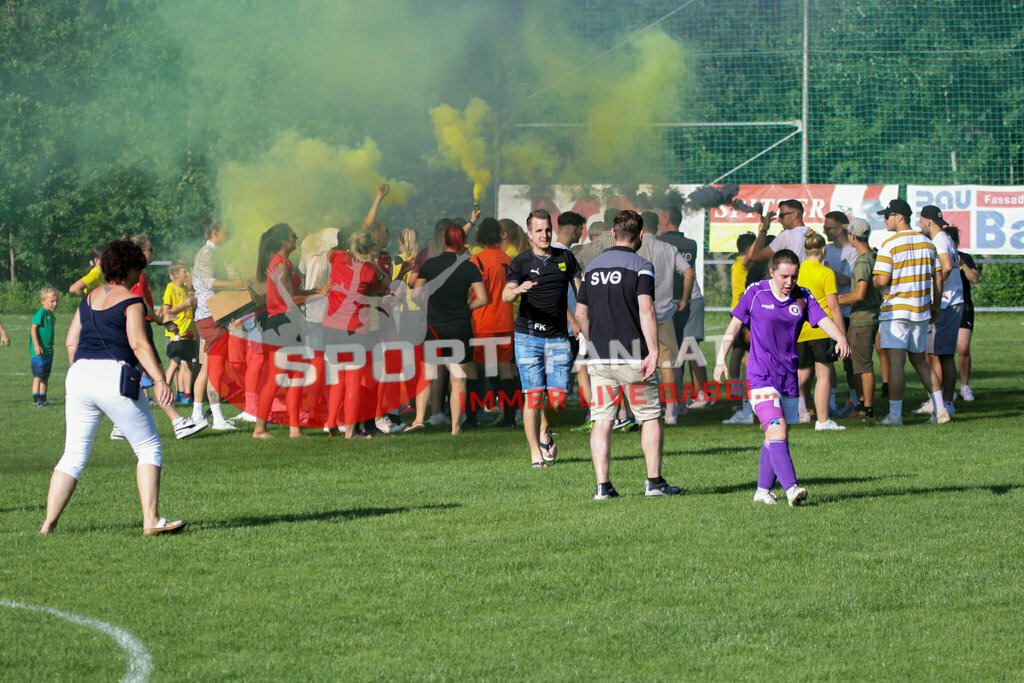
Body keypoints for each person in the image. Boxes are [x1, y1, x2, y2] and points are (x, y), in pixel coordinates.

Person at [40, 238, 186, 536]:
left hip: (79, 375)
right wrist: (159, 380)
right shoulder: (131, 300)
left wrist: (83, 375)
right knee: (148, 447)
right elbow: (138, 342)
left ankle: (47, 526)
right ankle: (151, 520)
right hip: (115, 375)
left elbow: (71, 342)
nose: (139, 274)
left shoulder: (89, 298)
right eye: (138, 269)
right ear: (130, 268)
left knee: (73, 456)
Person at [714, 249, 850, 506]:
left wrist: (840, 337)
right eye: (784, 276)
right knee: (777, 429)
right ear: (772, 272)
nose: (790, 282)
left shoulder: (803, 296)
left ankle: (762, 491)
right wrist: (721, 358)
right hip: (760, 375)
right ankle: (791, 489)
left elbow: (822, 320)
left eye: (794, 276)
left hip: (788, 377)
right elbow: (734, 325)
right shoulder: (756, 293)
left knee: (772, 434)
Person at [575, 210, 681, 499]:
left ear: (612, 233)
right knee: (649, 417)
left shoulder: (593, 268)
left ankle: (602, 486)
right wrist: (654, 349)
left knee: (602, 420)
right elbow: (646, 309)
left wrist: (591, 338)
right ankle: (654, 482)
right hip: (634, 354)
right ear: (640, 235)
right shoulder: (641, 265)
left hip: (600, 356)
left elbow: (581, 312)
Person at [503, 208, 582, 467]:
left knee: (558, 399)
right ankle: (536, 455)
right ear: (529, 234)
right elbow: (505, 295)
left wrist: (578, 320)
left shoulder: (566, 258)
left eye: (547, 229)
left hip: (559, 338)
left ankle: (543, 428)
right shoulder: (521, 262)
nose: (545, 234)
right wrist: (517, 289)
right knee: (534, 396)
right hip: (528, 337)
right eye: (539, 230)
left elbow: (581, 294)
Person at [871, 198, 946, 425]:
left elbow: (882, 279)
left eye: (888, 216)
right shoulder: (928, 244)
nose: (885, 220)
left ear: (899, 217)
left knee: (896, 364)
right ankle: (940, 409)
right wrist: (936, 305)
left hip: (896, 312)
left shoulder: (889, 245)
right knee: (921, 361)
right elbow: (938, 277)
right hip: (921, 310)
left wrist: (875, 281)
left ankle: (895, 415)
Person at [411, 224, 488, 434]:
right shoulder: (469, 266)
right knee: (457, 378)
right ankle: (455, 427)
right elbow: (482, 298)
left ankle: (419, 419)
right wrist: (467, 308)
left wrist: (426, 306)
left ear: (443, 241)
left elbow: (415, 295)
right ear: (461, 242)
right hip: (459, 327)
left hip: (434, 325)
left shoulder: (430, 265)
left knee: (427, 374)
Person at [253, 223, 324, 439]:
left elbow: (293, 293)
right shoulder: (280, 265)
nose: (296, 237)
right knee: (277, 377)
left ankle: (295, 428)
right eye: (293, 235)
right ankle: (259, 429)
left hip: (287, 322)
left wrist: (316, 291)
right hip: (282, 324)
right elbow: (290, 300)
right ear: (284, 241)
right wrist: (317, 296)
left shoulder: (284, 263)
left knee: (295, 375)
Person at [323, 230, 385, 438]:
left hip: (331, 327)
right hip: (354, 330)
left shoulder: (337, 258)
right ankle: (350, 431)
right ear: (368, 249)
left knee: (338, 378)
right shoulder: (369, 270)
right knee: (353, 381)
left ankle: (331, 422)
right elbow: (376, 292)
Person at [190, 219, 251, 431]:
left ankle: (198, 414)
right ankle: (217, 418)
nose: (228, 236)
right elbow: (207, 281)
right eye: (226, 232)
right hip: (213, 315)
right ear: (214, 233)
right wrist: (233, 284)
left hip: (212, 315)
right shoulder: (208, 254)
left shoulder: (211, 254)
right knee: (215, 367)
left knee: (208, 367)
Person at [639, 211, 693, 425]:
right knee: (668, 363)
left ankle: (644, 411)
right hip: (664, 313)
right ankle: (671, 411)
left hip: (640, 315)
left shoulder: (635, 248)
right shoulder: (669, 249)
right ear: (657, 226)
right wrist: (684, 299)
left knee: (642, 362)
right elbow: (688, 272)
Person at [654, 206, 710, 411]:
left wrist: (683, 300)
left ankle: (691, 397)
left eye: (660, 217)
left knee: (685, 350)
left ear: (667, 218)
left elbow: (685, 274)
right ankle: (690, 397)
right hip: (681, 300)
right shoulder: (690, 243)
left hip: (684, 301)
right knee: (685, 350)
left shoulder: (661, 244)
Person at [914, 205, 963, 419]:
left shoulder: (940, 240)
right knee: (941, 355)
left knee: (938, 355)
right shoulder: (946, 238)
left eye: (921, 220)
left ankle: (942, 402)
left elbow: (946, 266)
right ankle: (943, 401)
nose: (920, 224)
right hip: (950, 302)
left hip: (946, 303)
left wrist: (934, 280)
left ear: (928, 222)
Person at [795, 232, 846, 430]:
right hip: (822, 330)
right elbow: (833, 306)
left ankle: (782, 409)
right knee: (823, 375)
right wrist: (841, 334)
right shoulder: (826, 272)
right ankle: (823, 421)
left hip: (800, 330)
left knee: (801, 375)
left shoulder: (797, 271)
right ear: (824, 249)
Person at [469, 218, 517, 427]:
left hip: (483, 322)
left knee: (480, 370)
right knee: (505, 368)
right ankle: (509, 417)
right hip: (506, 321)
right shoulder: (507, 259)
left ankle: (476, 415)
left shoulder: (477, 260)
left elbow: (473, 293)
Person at [837, 219, 882, 421]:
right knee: (855, 364)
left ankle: (868, 409)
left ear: (853, 237)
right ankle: (862, 405)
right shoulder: (873, 256)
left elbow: (860, 293)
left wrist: (836, 299)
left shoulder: (863, 261)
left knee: (863, 366)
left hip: (863, 319)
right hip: (864, 317)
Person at [822, 211, 859, 416]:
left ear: (839, 229)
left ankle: (854, 400)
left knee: (849, 360)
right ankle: (831, 401)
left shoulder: (852, 251)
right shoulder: (826, 249)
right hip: (828, 314)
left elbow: (846, 281)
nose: (825, 231)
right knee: (828, 359)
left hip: (847, 311)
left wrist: (826, 271)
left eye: (828, 228)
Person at [722, 232, 757, 424]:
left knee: (737, 355)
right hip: (742, 315)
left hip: (738, 312)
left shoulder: (740, 262)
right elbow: (751, 255)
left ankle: (737, 398)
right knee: (741, 357)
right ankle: (739, 397)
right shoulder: (742, 262)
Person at [946, 226, 979, 401]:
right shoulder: (939, 258)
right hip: (945, 307)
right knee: (943, 351)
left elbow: (975, 279)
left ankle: (965, 386)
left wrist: (961, 263)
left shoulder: (964, 258)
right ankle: (947, 389)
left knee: (963, 348)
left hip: (963, 306)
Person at [161, 261, 198, 405]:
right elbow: (166, 312)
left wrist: (193, 304)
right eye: (184, 272)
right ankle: (163, 391)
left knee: (188, 364)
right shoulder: (170, 288)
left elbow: (188, 310)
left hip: (189, 331)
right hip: (177, 332)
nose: (187, 274)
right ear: (175, 274)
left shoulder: (186, 289)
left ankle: (187, 396)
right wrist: (184, 305)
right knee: (174, 362)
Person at [30, 286, 60, 406]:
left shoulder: (51, 316)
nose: (55, 303)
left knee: (45, 377)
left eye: (56, 301)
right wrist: (36, 345)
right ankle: (36, 400)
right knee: (38, 376)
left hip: (48, 351)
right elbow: (33, 328)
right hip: (39, 352)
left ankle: (43, 399)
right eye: (52, 301)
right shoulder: (41, 312)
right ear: (43, 301)